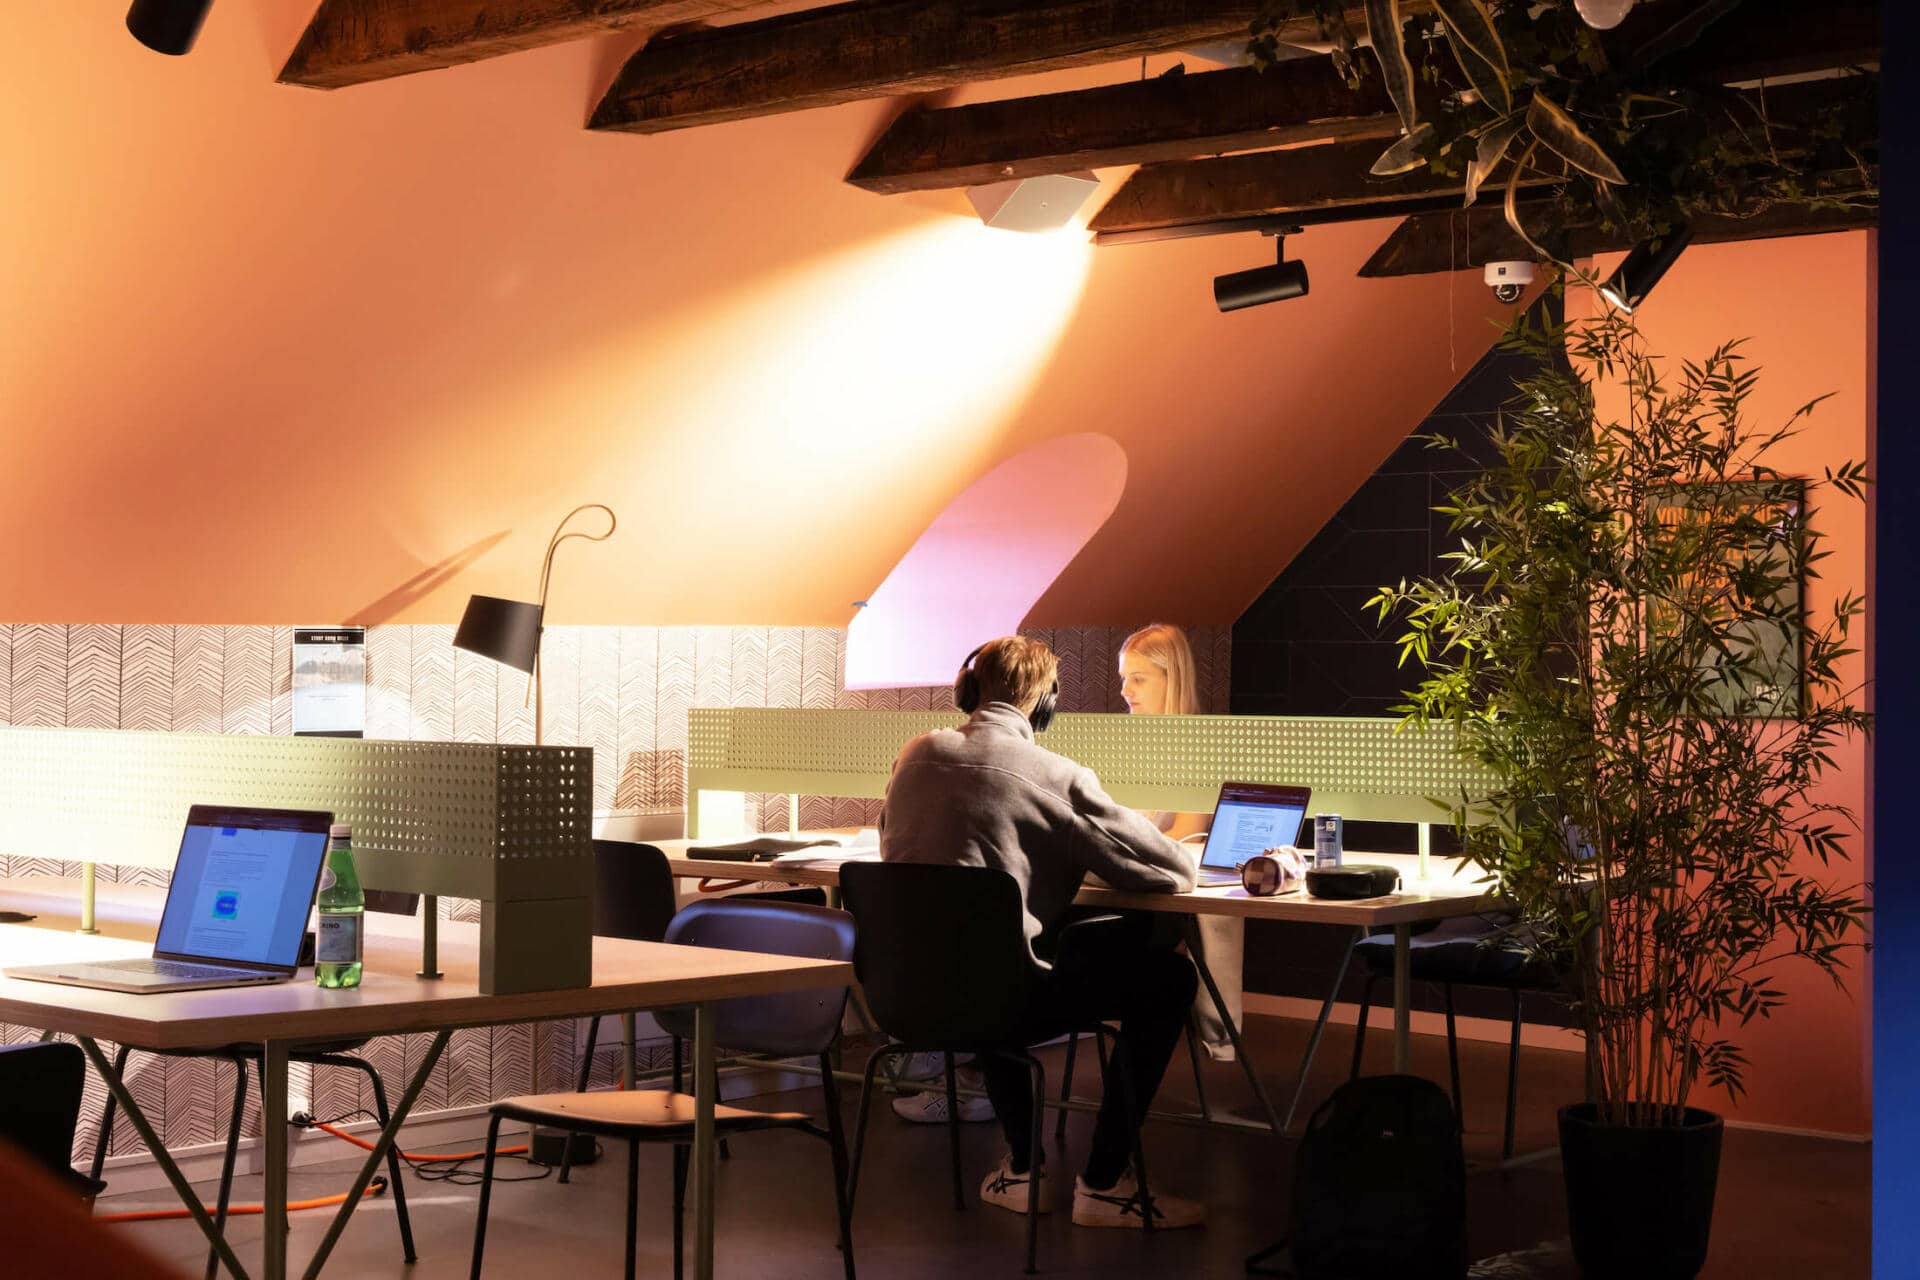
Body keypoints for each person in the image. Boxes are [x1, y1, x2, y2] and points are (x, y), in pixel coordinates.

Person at [879, 634, 1207, 1229]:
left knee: (981, 945)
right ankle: (1105, 1183)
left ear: (968, 693)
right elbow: (1171, 870)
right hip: (1004, 997)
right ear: (1045, 703)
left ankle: (1025, 1170)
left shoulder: (913, 756)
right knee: (1166, 977)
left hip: (904, 993)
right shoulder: (1056, 775)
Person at [1118, 623, 1246, 1062]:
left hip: (1160, 892)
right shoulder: (1125, 745)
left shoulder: (1196, 746)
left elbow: (1188, 837)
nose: (1125, 691)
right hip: (1124, 882)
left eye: (1138, 678)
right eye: (1123, 679)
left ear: (1170, 678)